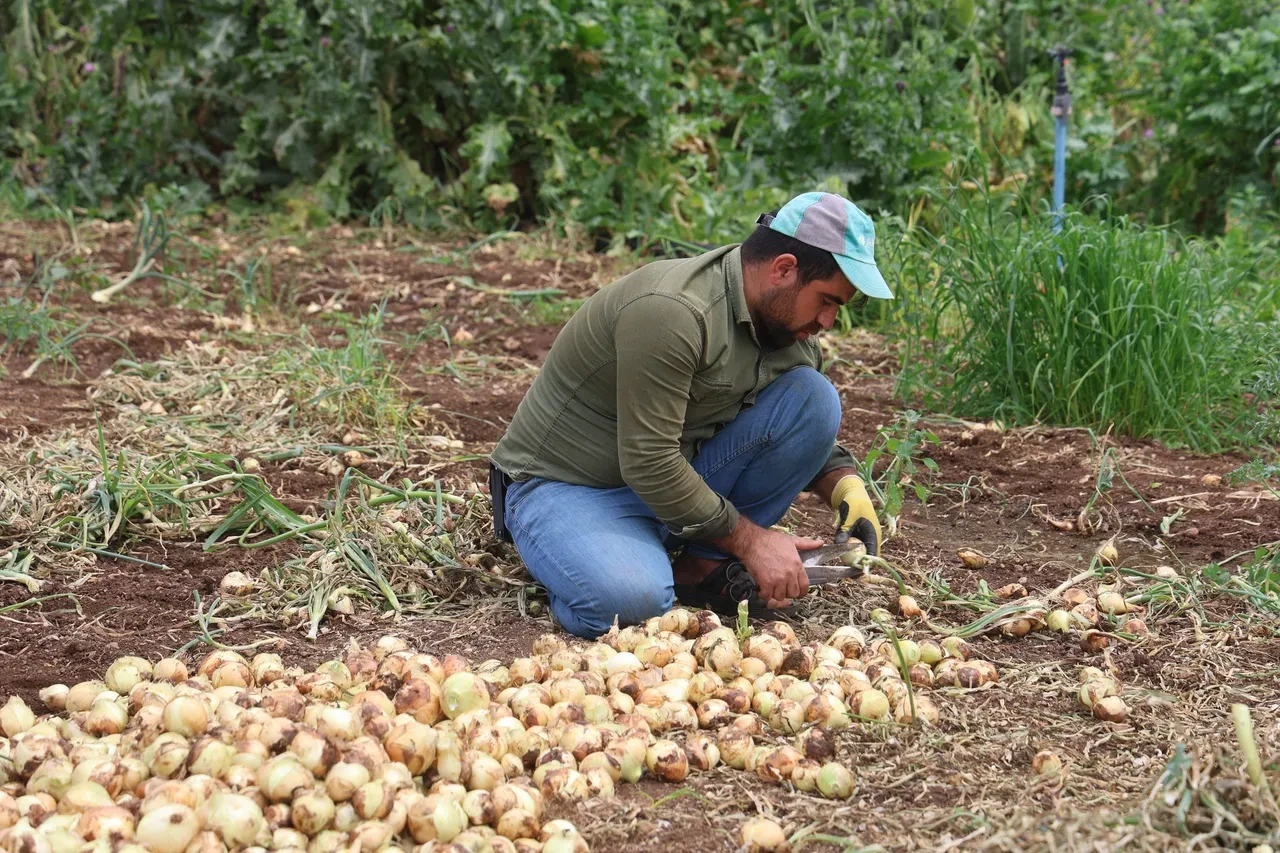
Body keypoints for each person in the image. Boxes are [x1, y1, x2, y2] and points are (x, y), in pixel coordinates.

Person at [488, 191, 893, 639]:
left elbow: (798, 422)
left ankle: (701, 568)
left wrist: (846, 488)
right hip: (567, 486)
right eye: (827, 300)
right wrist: (753, 542)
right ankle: (602, 558)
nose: (828, 321)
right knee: (631, 604)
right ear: (783, 269)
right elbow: (649, 460)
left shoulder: (788, 331)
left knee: (813, 397)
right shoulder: (674, 312)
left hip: (664, 483)